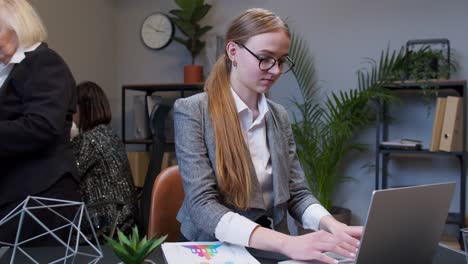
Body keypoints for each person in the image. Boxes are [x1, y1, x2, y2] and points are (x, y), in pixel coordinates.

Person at [173, 8, 363, 263]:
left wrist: (330, 224)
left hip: (272, 248)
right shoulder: (192, 111)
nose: (274, 70)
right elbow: (202, 205)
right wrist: (287, 243)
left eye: (282, 61)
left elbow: (296, 192)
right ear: (233, 52)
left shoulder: (278, 116)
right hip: (215, 249)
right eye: (265, 58)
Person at [0, 0, 80, 245]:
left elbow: (41, 126)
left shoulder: (44, 62)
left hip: (41, 199)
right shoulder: (9, 70)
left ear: (17, 27)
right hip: (15, 198)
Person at [71, 81, 137, 242]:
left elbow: (69, 172)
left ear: (81, 108)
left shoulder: (89, 140)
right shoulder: (109, 135)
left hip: (105, 224)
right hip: (124, 222)